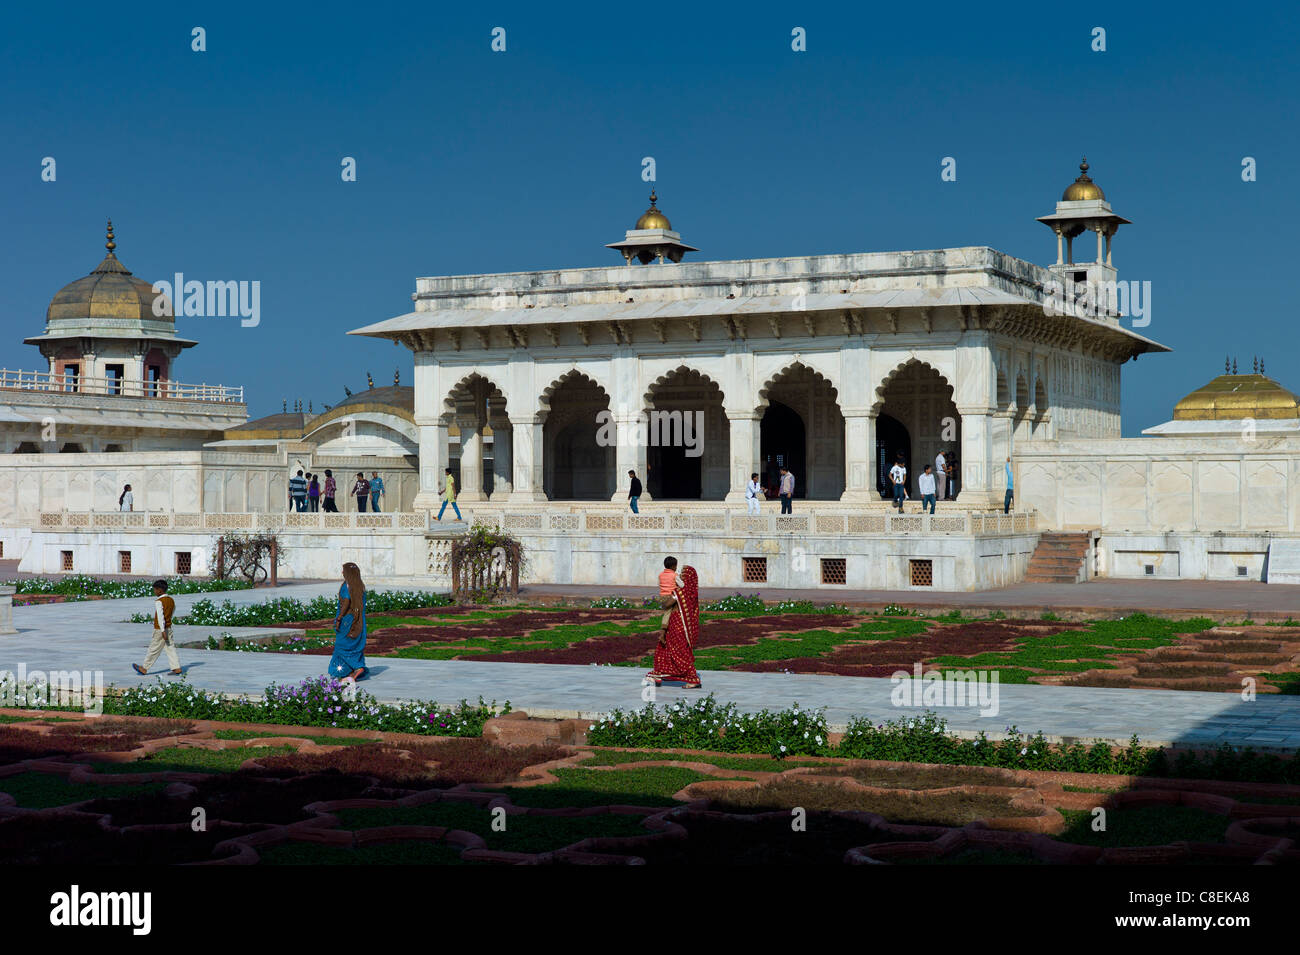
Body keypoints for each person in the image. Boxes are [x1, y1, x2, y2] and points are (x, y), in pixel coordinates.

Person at [646, 565, 701, 689]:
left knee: (679, 653)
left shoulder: (680, 592)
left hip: (677, 625)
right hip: (683, 627)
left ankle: (692, 678)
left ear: (687, 577)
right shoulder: (692, 593)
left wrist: (665, 598)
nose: (680, 576)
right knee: (670, 650)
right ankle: (659, 675)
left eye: (683, 574)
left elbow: (667, 605)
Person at [132, 579, 181, 677]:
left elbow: (160, 616)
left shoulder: (159, 601)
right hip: (169, 628)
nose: (154, 592)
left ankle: (144, 668)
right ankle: (176, 667)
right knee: (170, 647)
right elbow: (173, 610)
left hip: (160, 630)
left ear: (160, 590)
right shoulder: (171, 600)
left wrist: (162, 630)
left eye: (155, 590)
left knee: (154, 648)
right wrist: (168, 622)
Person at [328, 562, 368, 684]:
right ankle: (351, 670)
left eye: (344, 570)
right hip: (357, 620)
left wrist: (339, 617)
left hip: (347, 620)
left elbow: (346, 601)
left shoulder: (347, 586)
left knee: (342, 645)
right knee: (353, 644)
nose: (342, 572)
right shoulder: (360, 585)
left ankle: (356, 667)